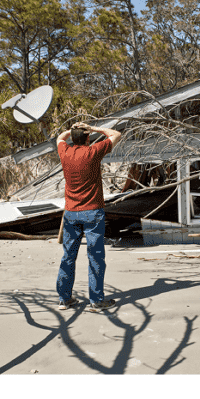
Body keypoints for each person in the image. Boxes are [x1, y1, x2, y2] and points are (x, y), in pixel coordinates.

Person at [55, 120, 123, 313]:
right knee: (95, 257)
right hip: (92, 211)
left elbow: (60, 138)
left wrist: (73, 130)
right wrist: (93, 128)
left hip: (71, 212)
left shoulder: (65, 152)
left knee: (68, 256)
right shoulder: (93, 152)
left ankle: (64, 299)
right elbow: (115, 134)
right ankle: (96, 300)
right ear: (87, 138)